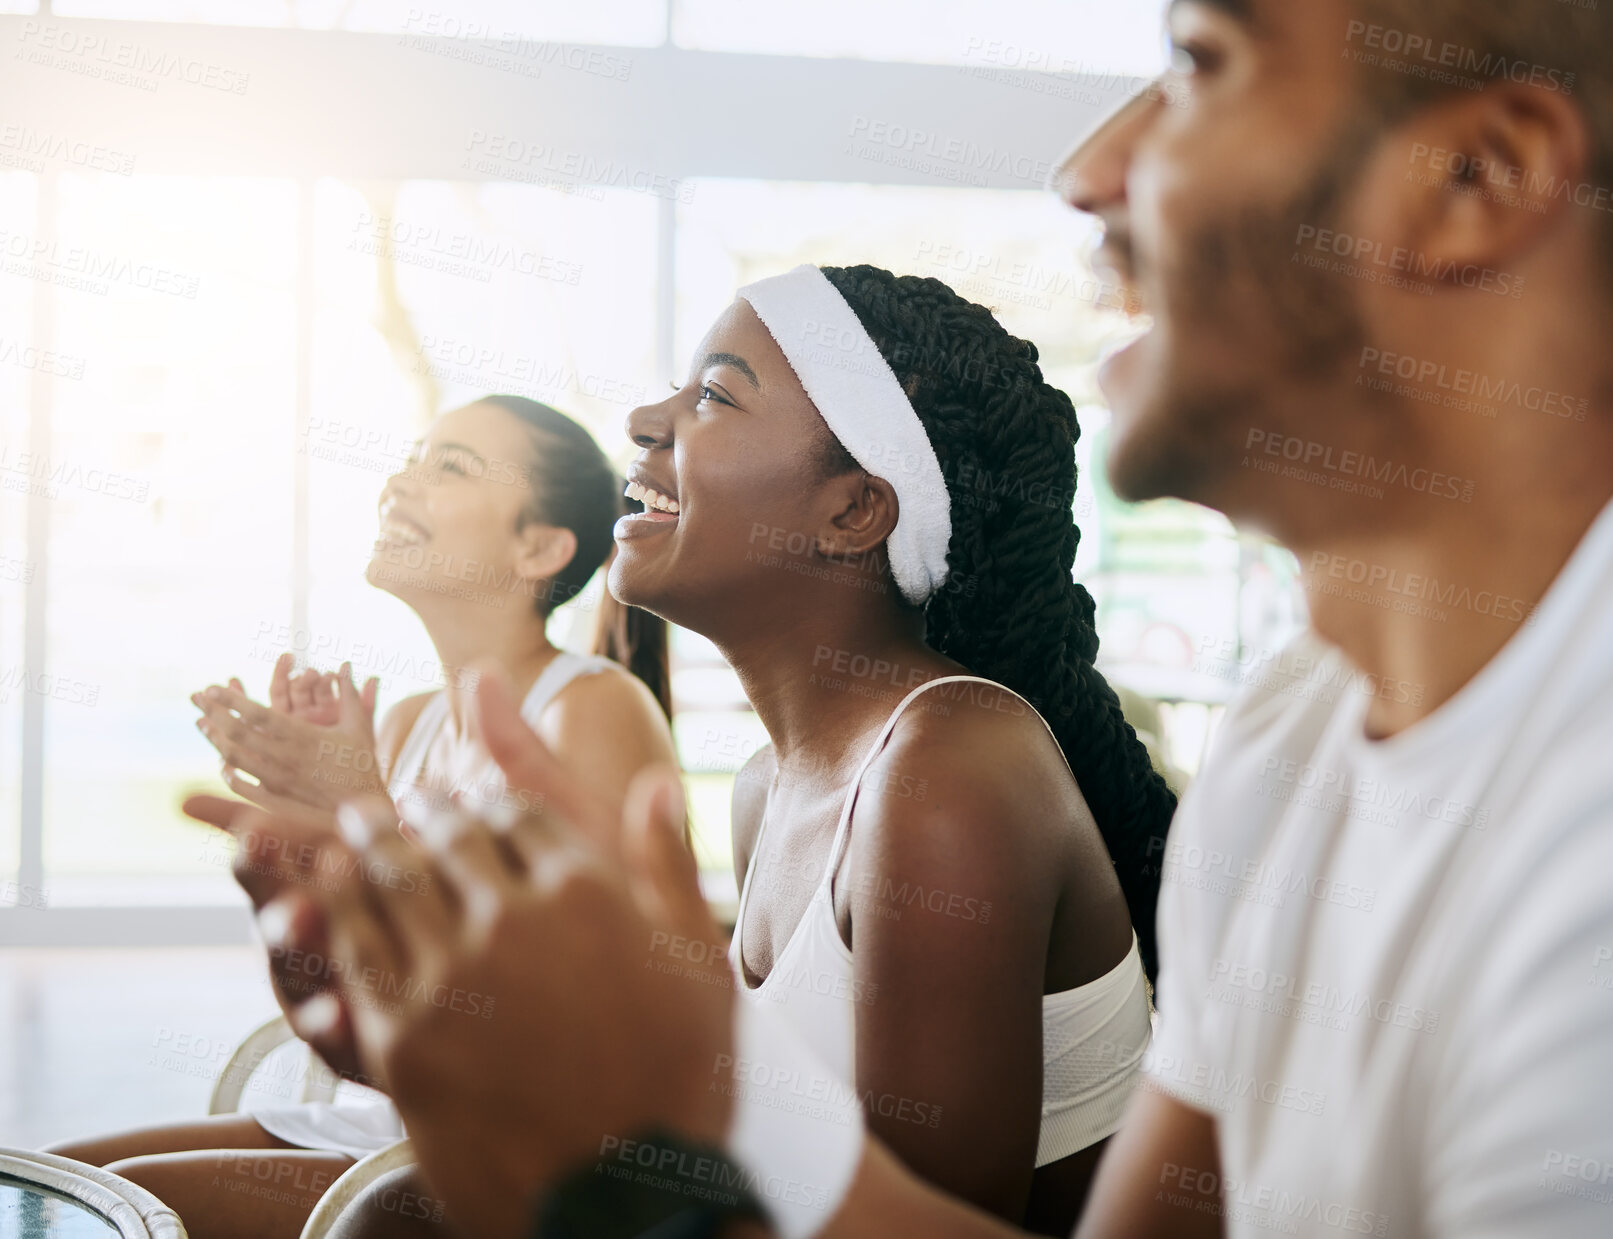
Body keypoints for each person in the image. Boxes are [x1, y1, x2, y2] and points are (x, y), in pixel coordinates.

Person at [206, 0, 1613, 1235]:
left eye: (1199, 59)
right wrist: (487, 1041)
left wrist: (615, 1156)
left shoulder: (1575, 830)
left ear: (1475, 179)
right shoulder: (1296, 736)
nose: (1088, 171)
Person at [49, 396, 678, 1239]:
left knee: (119, 1205)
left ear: (538, 547)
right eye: (414, 454)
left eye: (449, 466)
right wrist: (301, 822)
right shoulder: (404, 721)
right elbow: (365, 991)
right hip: (384, 1112)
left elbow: (589, 1012)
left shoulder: (592, 705)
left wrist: (362, 805)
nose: (399, 479)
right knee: (56, 1176)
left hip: (511, 1148)